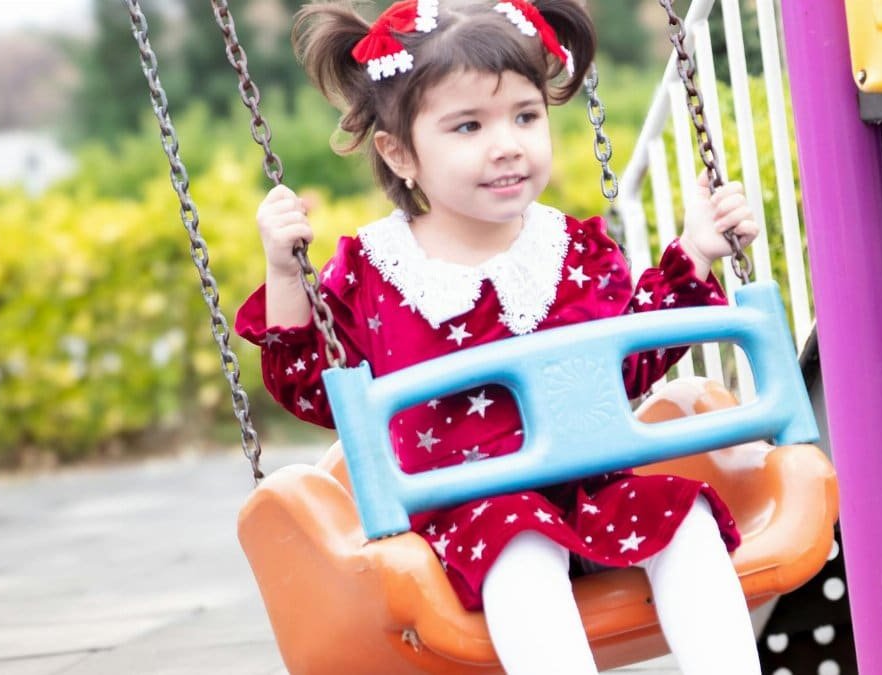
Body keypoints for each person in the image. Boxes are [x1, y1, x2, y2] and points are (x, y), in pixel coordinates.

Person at [235, 1, 762, 672]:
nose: (507, 143)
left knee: (686, 518)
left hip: (592, 494)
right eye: (468, 125)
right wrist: (286, 275)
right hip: (466, 524)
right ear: (399, 153)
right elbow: (314, 388)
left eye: (525, 116)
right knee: (521, 542)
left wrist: (697, 252)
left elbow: (626, 365)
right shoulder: (375, 272)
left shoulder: (572, 250)